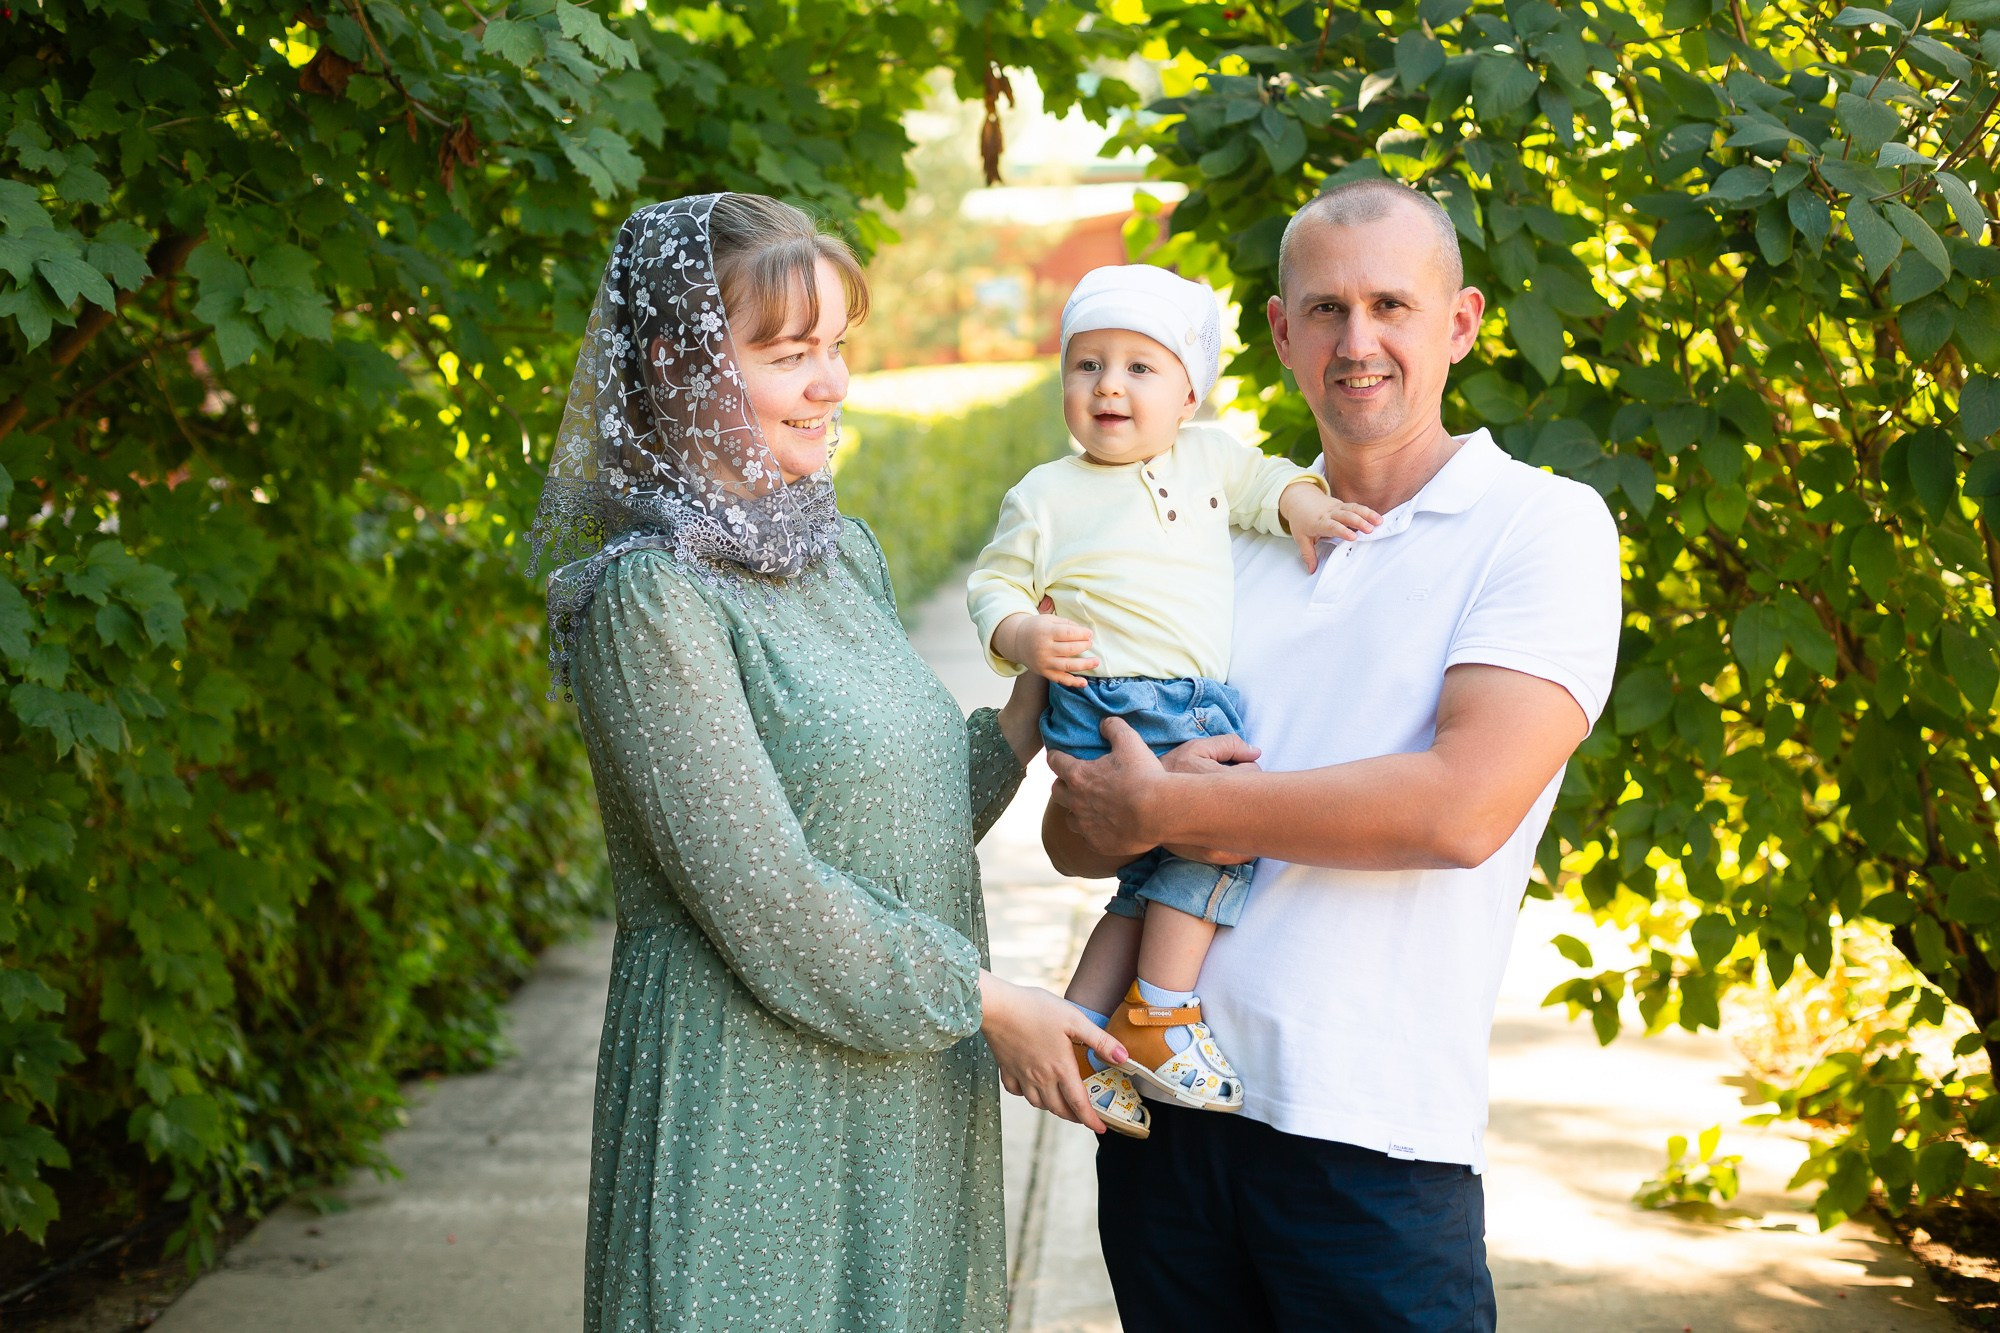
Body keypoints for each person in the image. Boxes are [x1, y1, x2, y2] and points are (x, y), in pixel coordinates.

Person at [528, 193, 1127, 1333]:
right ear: (677, 368)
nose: (833, 383)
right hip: (745, 1101)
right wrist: (989, 1003)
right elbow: (765, 892)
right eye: (789, 354)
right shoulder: (650, 598)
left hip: (903, 1092)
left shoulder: (839, 551)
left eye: (837, 345)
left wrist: (1034, 699)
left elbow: (892, 812)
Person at [1042, 180, 1623, 1330]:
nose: (1357, 342)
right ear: (1278, 332)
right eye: (1324, 310)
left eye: (1390, 305)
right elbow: (1077, 828)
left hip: (1369, 1140)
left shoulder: (1540, 527)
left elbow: (1458, 809)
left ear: (1458, 322)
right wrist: (1124, 800)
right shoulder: (1204, 537)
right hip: (1161, 1129)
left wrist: (1168, 808)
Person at [966, 264, 1379, 1139]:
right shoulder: (1046, 492)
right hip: (1121, 696)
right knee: (1221, 837)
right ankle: (1162, 1009)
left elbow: (1270, 483)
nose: (1108, 386)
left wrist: (1306, 509)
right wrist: (1023, 635)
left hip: (1172, 700)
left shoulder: (1210, 457)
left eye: (1139, 367)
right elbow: (994, 585)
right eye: (1086, 365)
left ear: (1190, 394)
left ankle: (1083, 1032)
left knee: (1147, 879)